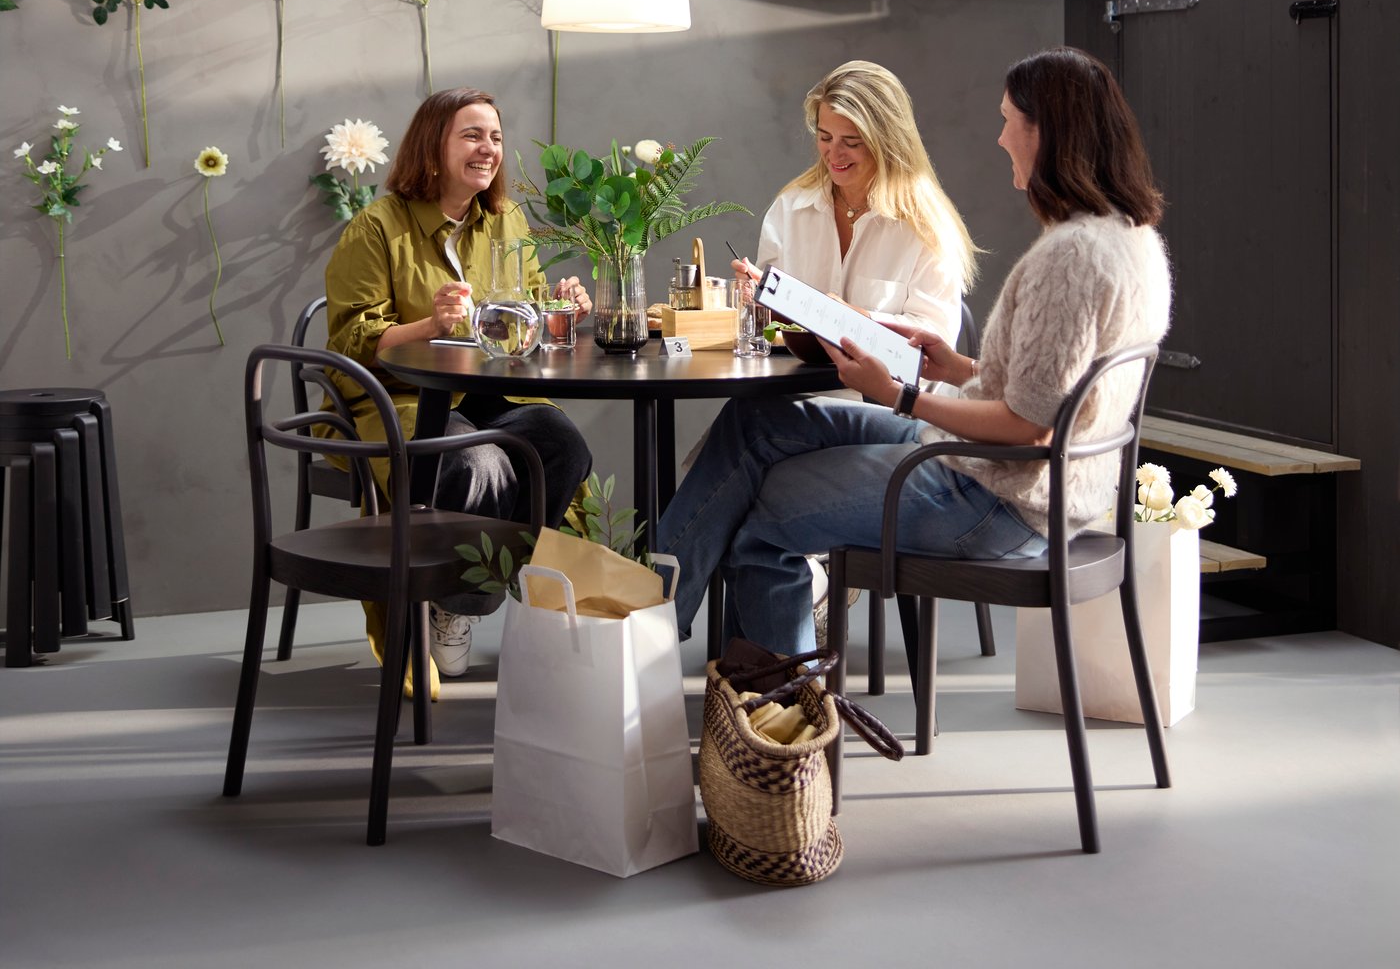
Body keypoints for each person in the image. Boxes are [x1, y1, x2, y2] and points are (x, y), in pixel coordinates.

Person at [657, 47, 1172, 656]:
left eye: (1010, 121)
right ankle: (659, 624)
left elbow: (1029, 429)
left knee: (756, 514)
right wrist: (958, 368)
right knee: (754, 425)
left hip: (996, 498)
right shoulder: (1132, 242)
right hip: (1007, 477)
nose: (1001, 137)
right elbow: (1057, 395)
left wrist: (903, 393)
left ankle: (746, 694)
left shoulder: (1071, 257)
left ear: (1049, 133)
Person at [321, 86, 593, 677]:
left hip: (492, 389)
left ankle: (487, 594)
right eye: (472, 135)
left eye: (495, 137)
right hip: (402, 397)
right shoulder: (377, 225)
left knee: (560, 443)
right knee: (478, 462)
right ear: (433, 145)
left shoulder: (505, 219)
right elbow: (347, 339)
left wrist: (560, 304)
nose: (488, 148)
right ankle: (460, 605)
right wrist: (428, 323)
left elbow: (523, 310)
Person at [734, 59, 978, 339]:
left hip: (891, 384)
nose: (834, 155)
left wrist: (849, 318)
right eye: (825, 137)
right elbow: (771, 327)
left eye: (851, 143)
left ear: (887, 143)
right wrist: (756, 297)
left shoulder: (926, 228)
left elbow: (936, 341)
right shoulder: (789, 211)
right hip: (801, 382)